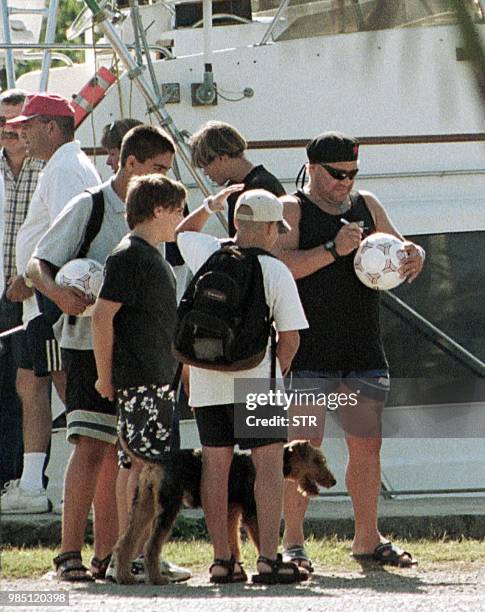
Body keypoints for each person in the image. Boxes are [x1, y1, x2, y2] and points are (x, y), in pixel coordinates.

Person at [27, 124, 188, 583]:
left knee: (135, 457)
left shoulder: (158, 216)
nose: (161, 175)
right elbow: (39, 263)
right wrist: (60, 295)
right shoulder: (91, 205)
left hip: (140, 357)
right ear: (128, 162)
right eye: (156, 167)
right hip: (86, 346)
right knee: (91, 446)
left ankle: (119, 555)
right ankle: (69, 554)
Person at [275, 131, 425, 569]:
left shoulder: (368, 204)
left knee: (367, 445)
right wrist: (332, 250)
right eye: (338, 174)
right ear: (314, 168)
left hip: (362, 347)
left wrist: (413, 255)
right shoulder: (291, 209)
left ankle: (367, 539)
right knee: (302, 448)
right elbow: (279, 266)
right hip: (307, 350)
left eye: (353, 174)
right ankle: (293, 543)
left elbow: (399, 245)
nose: (346, 182)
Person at [176, 187, 309, 584]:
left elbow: (182, 232)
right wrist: (277, 375)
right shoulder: (274, 270)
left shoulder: (207, 256)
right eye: (276, 228)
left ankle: (222, 561)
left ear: (236, 223)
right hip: (257, 381)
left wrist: (209, 205)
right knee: (267, 466)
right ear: (270, 228)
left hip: (206, 379)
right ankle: (268, 557)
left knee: (215, 467)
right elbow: (291, 338)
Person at [1, 92, 100, 513]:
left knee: (68, 388)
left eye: (27, 125)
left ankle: (81, 483)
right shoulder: (62, 165)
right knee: (34, 384)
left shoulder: (63, 170)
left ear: (51, 127)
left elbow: (70, 238)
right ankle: (32, 483)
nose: (19, 132)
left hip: (51, 301)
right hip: (43, 301)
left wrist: (33, 280)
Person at [92, 174, 186, 579]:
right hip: (141, 379)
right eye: (178, 210)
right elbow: (102, 315)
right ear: (159, 209)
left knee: (142, 468)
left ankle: (128, 554)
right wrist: (104, 376)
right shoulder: (130, 255)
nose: (180, 219)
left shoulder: (151, 254)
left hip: (158, 379)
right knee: (142, 469)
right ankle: (127, 557)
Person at [0, 89, 45, 493]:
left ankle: (25, 477)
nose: (10, 132)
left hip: (31, 291)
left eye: (17, 124)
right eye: (3, 124)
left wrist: (30, 280)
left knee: (27, 386)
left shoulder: (46, 169)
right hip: (2, 292)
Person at [189, 121, 285, 236]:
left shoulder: (260, 187)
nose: (205, 172)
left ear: (222, 158)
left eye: (205, 165)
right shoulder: (237, 187)